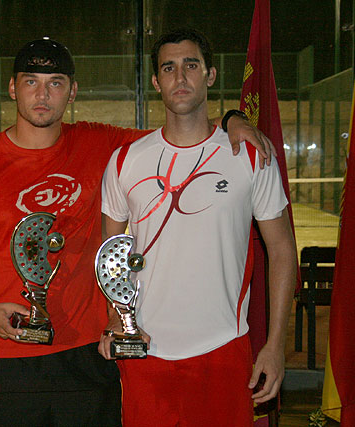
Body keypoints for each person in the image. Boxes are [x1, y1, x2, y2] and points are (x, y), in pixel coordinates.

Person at [0, 38, 272, 426]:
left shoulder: (100, 143)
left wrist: (232, 119)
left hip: (89, 359)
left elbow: (183, 131)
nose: (43, 94)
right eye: (31, 81)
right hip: (9, 356)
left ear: (72, 92)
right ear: (12, 88)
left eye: (56, 83)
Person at [99, 29, 297, 426]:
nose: (180, 77)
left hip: (223, 349)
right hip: (145, 352)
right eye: (168, 68)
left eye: (191, 65)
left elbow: (283, 252)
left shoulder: (248, 155)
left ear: (210, 75)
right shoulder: (125, 161)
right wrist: (116, 323)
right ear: (156, 82)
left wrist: (275, 346)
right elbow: (111, 252)